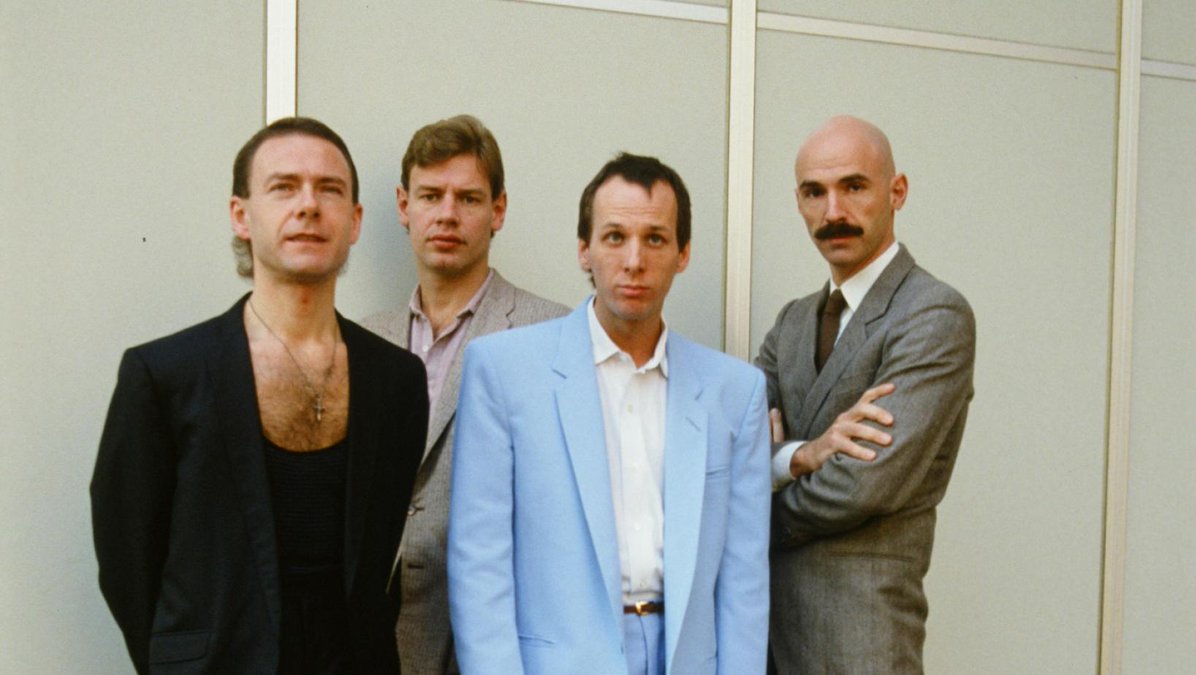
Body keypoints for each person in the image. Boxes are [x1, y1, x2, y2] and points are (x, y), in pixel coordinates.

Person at [90, 117, 428, 674]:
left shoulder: (397, 381)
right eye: (283, 187)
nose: (308, 205)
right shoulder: (164, 375)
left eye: (329, 189)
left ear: (355, 221)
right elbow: (128, 560)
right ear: (240, 215)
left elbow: (375, 562)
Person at [447, 153, 770, 674]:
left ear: (683, 253)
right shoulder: (504, 371)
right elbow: (479, 565)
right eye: (615, 237)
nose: (634, 260)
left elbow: (744, 582)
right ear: (585, 249)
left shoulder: (735, 392)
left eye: (655, 239)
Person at [756, 115, 975, 674]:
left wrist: (752, 511)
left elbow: (861, 485)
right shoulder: (791, 323)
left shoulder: (933, 314)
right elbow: (732, 443)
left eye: (853, 186)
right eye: (814, 192)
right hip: (765, 643)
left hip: (862, 643)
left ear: (897, 192)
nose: (833, 211)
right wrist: (800, 456)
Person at [361, 114, 567, 673]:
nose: (447, 214)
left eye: (468, 198)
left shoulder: (554, 334)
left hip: (494, 644)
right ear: (403, 206)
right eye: (431, 195)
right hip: (375, 643)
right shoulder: (362, 340)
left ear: (498, 210)